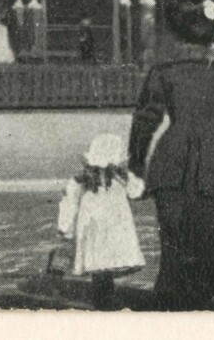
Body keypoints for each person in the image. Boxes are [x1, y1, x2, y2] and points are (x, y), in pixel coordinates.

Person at [129, 0, 214, 310]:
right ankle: (213, 300)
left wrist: (136, 164)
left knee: (174, 242)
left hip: (171, 164)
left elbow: (145, 121)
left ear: (177, 32)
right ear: (213, 36)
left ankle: (175, 302)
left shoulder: (163, 73)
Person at [56, 131, 147, 310]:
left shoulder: (119, 178)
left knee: (108, 263)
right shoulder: (82, 180)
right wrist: (65, 228)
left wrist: (126, 176)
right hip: (95, 227)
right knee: (99, 264)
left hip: (114, 226)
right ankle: (103, 301)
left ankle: (107, 298)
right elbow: (70, 202)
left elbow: (136, 192)